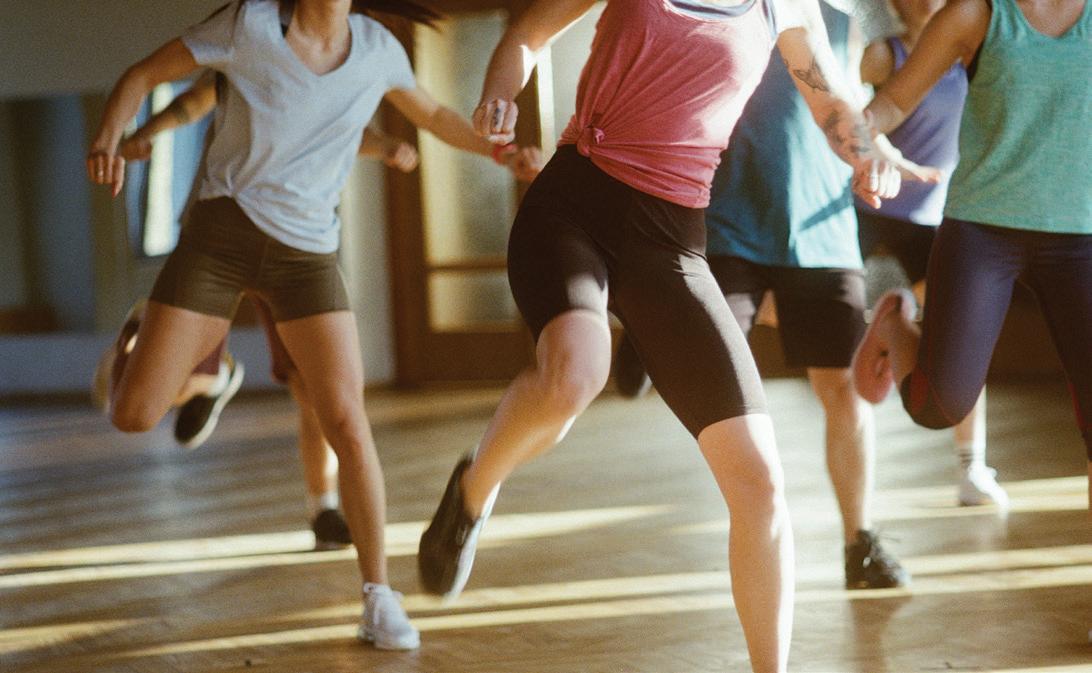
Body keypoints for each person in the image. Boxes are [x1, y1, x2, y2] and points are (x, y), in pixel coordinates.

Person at [415, 0, 934, 669]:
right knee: (575, 374)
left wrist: (867, 155)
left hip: (670, 244)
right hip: (574, 208)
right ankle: (472, 492)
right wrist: (499, 93)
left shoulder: (783, 6)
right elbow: (526, 35)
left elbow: (832, 103)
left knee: (760, 482)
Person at [85, 0, 535, 650]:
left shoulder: (378, 50)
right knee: (132, 414)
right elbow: (143, 76)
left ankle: (378, 597)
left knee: (346, 419)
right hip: (220, 240)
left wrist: (500, 151)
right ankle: (146, 335)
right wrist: (110, 136)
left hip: (307, 257)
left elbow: (436, 116)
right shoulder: (249, 26)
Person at [110, 70, 540, 549]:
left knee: (312, 390)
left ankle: (323, 509)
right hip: (215, 241)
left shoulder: (342, 60)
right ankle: (208, 372)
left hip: (296, 245)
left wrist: (404, 147)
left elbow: (403, 121)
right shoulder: (248, 48)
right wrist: (145, 132)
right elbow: (193, 100)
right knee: (171, 390)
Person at [613, 0, 911, 589]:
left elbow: (854, 105)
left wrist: (878, 157)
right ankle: (647, 326)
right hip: (728, 222)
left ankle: (860, 541)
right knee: (711, 374)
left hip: (821, 229)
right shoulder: (720, 8)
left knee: (845, 388)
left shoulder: (842, 21)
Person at [853, 0, 1090, 504]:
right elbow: (892, 103)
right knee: (936, 405)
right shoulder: (977, 14)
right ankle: (893, 319)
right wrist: (862, 141)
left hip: (1081, 237)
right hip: (983, 230)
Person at [855, 0, 1008, 509]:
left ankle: (972, 468)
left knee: (962, 339)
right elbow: (839, 104)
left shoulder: (971, 48)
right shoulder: (884, 55)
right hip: (868, 207)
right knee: (828, 316)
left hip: (931, 218)